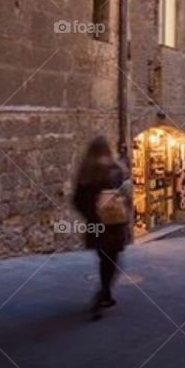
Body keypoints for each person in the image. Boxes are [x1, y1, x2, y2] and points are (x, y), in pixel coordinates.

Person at [73, 136, 132, 319]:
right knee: (112, 260)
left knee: (103, 258)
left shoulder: (85, 172)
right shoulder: (115, 170)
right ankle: (102, 294)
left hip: (95, 226)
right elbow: (124, 196)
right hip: (113, 224)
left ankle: (105, 294)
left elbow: (77, 200)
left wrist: (91, 216)